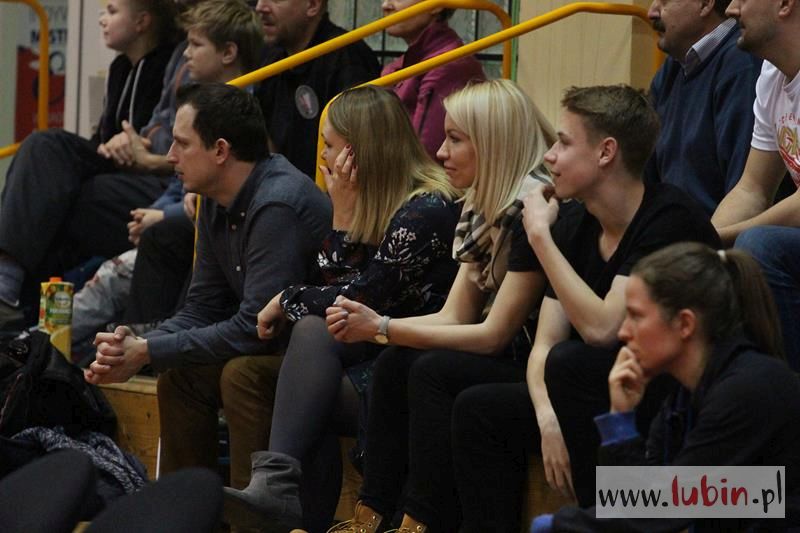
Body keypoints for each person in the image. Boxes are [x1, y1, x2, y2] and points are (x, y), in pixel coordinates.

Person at [447, 85, 721, 531]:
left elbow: (603, 329)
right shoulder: (575, 222)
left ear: (606, 152)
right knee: (480, 408)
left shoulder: (669, 218)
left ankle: (602, 522)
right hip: (605, 387)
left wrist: (539, 236)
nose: (549, 156)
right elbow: (545, 344)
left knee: (573, 364)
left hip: (677, 394)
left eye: (563, 142)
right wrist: (546, 418)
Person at [314, 78, 553, 533]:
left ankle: (420, 522)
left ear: (493, 143)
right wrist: (384, 330)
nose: (441, 153)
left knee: (431, 371)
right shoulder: (483, 203)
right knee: (396, 363)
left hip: (537, 362)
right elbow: (454, 315)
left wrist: (381, 327)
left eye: (455, 139)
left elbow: (493, 336)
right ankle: (371, 516)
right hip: (506, 353)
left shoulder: (531, 208)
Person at [221, 85, 460, 532]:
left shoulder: (425, 211)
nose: (323, 158)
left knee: (312, 381)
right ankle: (281, 501)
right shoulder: (380, 201)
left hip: (412, 362)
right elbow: (342, 300)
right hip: (377, 349)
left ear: (358, 152)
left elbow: (355, 300)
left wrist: (285, 297)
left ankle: (287, 507)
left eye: (329, 145)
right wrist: (344, 220)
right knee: (274, 373)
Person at [84, 84, 332, 493]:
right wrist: (139, 344)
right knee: (181, 375)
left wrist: (148, 351)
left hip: (317, 355)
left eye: (182, 144)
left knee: (241, 374)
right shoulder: (214, 197)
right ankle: (188, 510)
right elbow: (202, 307)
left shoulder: (277, 204)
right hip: (271, 347)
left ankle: (255, 514)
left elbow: (255, 330)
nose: (170, 156)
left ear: (220, 150)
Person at [531, 242, 800, 532]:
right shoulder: (682, 398)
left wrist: (557, 525)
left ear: (684, 324)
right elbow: (631, 503)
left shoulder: (749, 388)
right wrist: (620, 419)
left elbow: (668, 507)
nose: (624, 332)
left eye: (636, 316)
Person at [70, 0, 265, 353]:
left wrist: (162, 217)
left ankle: (43, 342)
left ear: (228, 53)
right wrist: (155, 212)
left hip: (211, 229)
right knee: (101, 265)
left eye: (196, 44)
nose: (186, 54)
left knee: (113, 276)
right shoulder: (202, 104)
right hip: (183, 218)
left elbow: (222, 189)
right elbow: (180, 177)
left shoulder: (242, 113)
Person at [0, 0, 179, 326]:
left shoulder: (167, 64)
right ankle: (13, 302)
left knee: (60, 189)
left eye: (112, 11)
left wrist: (135, 143)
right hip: (115, 164)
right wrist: (111, 144)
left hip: (151, 174)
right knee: (43, 162)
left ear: (142, 22)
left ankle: (11, 293)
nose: (101, 19)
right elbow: (104, 136)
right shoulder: (119, 68)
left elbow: (158, 137)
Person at [711, 0, 800, 368]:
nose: (730, 9)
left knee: (760, 246)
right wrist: (698, 246)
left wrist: (721, 238)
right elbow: (752, 189)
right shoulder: (772, 75)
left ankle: (785, 391)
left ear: (785, 4)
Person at [644, 0, 761, 215]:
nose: (651, 12)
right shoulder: (672, 68)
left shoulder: (743, 65)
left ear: (706, 4)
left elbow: (745, 194)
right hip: (674, 227)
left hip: (716, 230)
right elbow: (644, 180)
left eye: (664, 1)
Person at [255, 0, 381, 178]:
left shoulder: (347, 58)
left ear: (312, 5)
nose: (260, 7)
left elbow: (357, 153)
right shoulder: (271, 58)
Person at [380, 0, 485, 159]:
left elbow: (425, 157)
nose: (385, 5)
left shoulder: (448, 65)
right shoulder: (403, 64)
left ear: (436, 5)